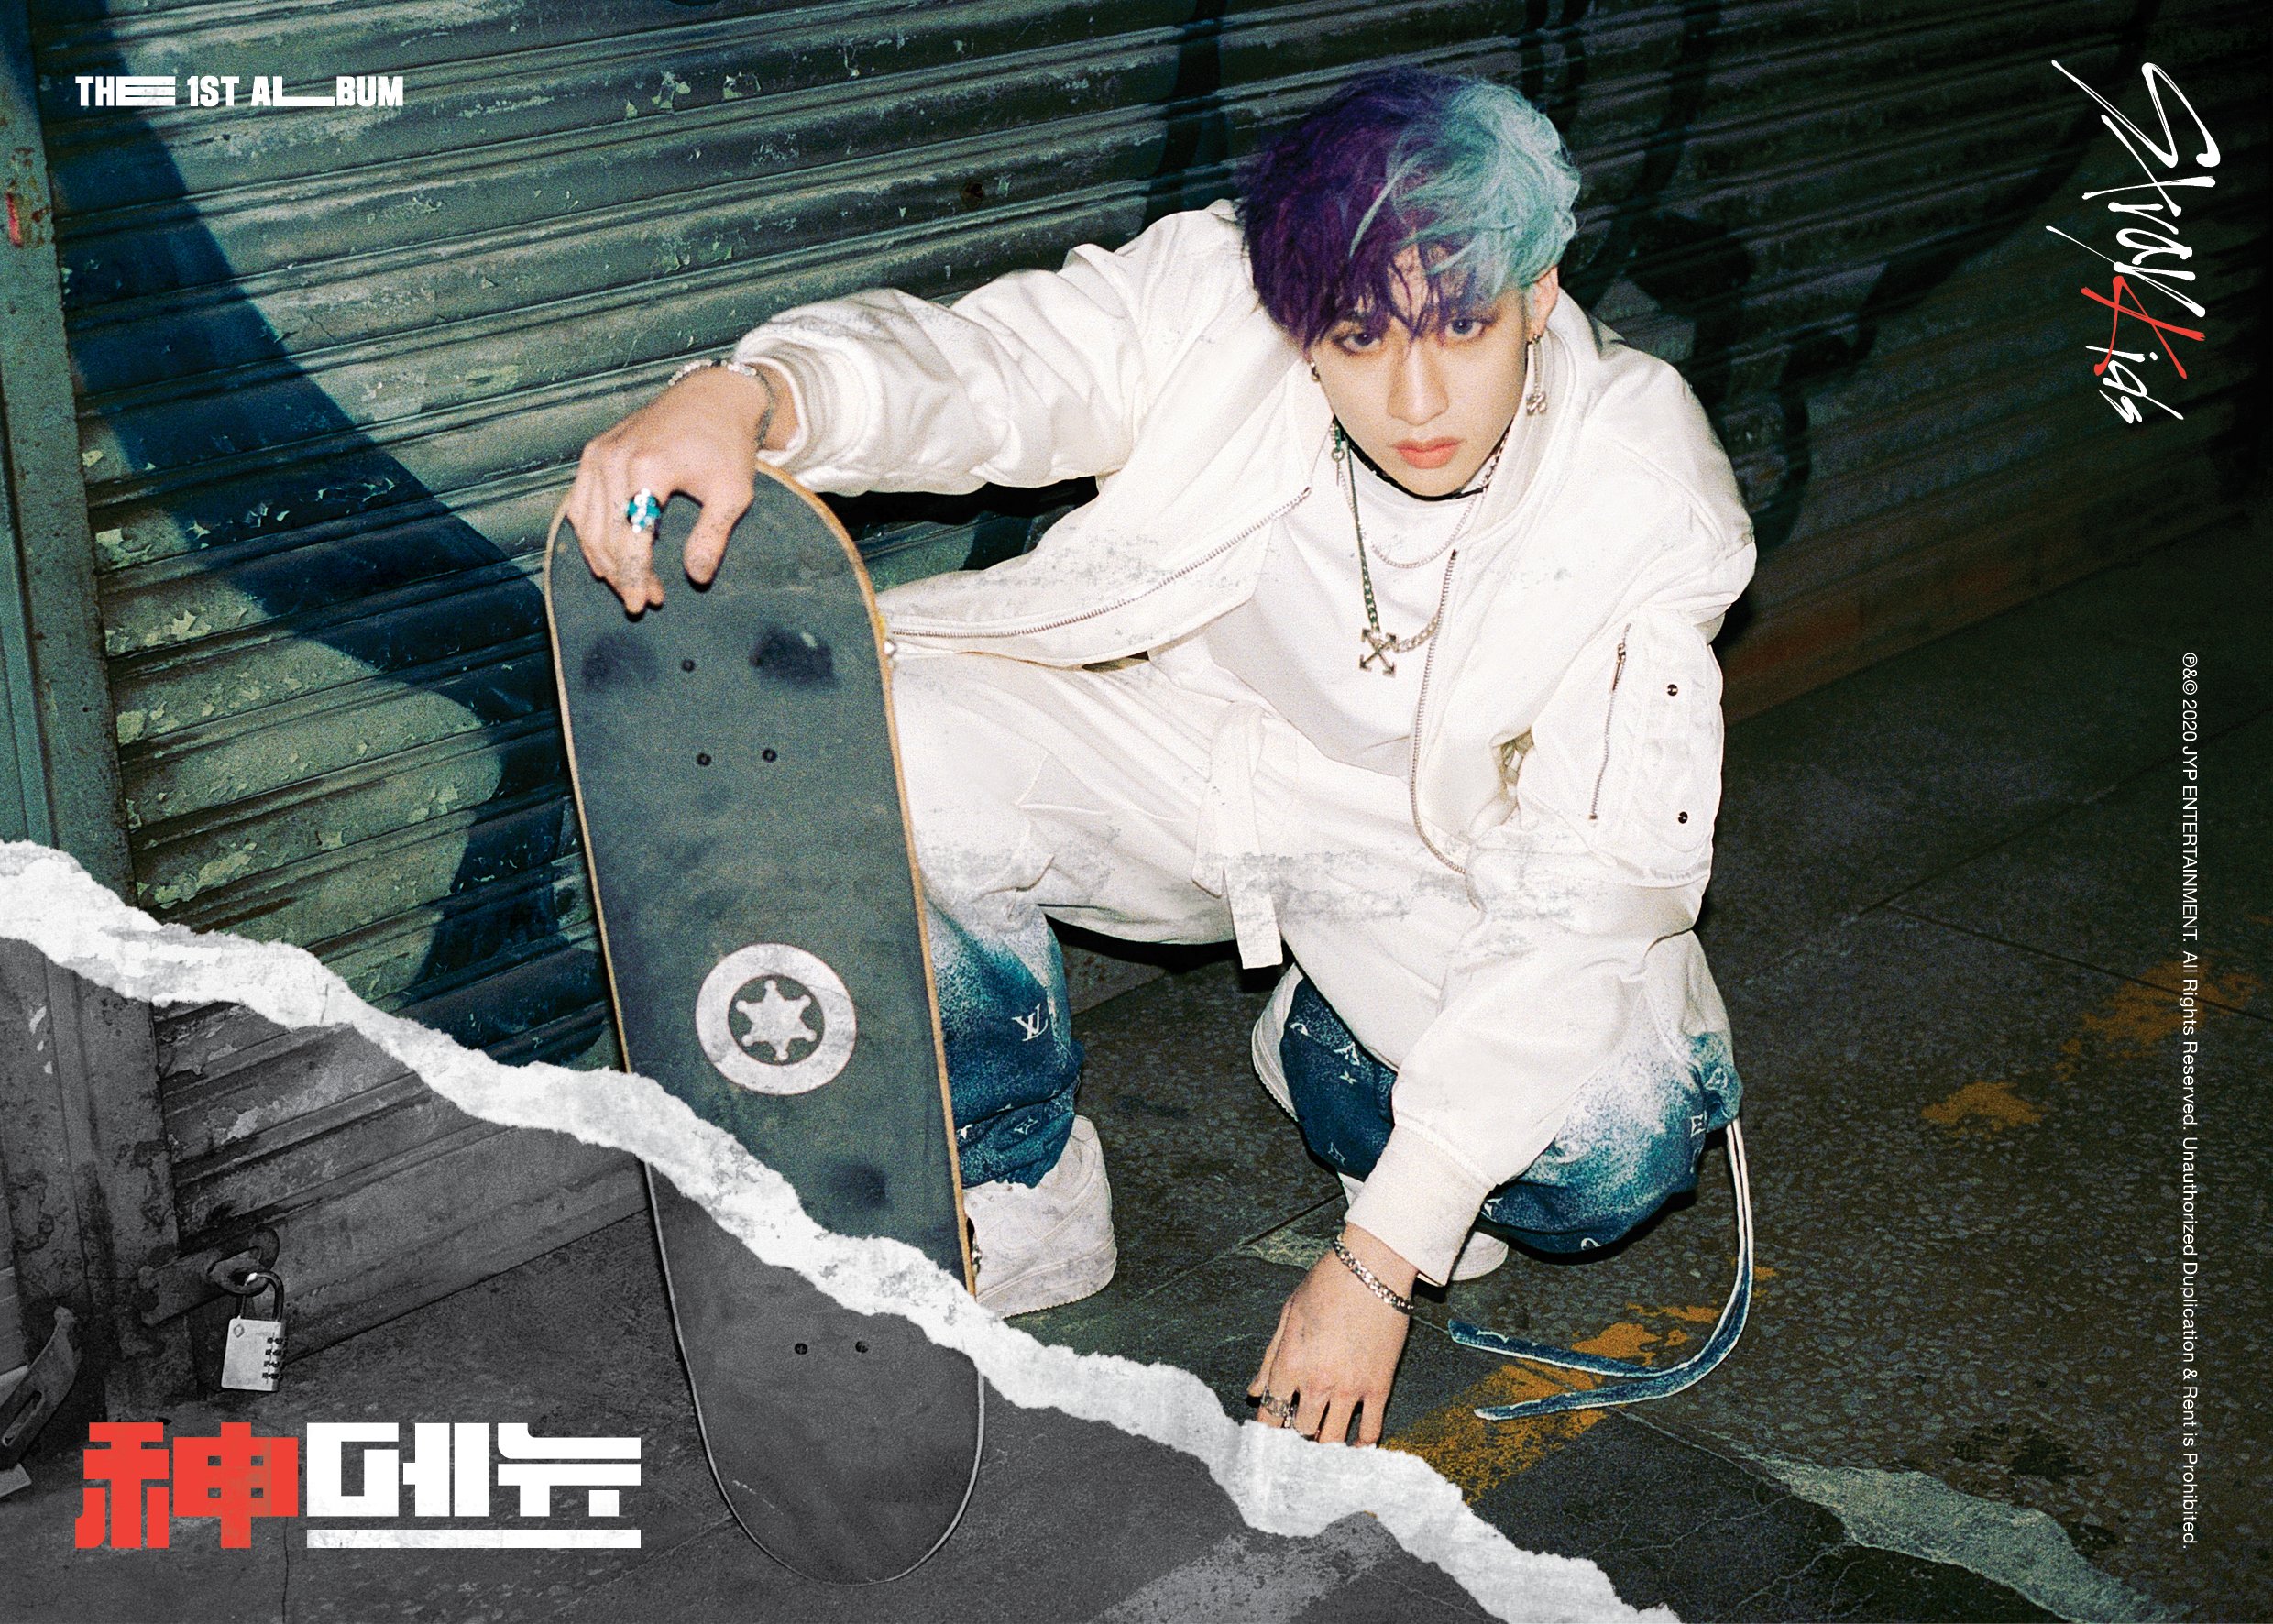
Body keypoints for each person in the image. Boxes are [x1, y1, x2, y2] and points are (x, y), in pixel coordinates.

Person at [564, 68, 1754, 1448]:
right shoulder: (1221, 297)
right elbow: (993, 368)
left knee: (1609, 1141)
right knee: (887, 742)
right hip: (1190, 763)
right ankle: (1018, 1183)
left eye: (1462, 326)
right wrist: (751, 396)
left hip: (1435, 866)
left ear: (1540, 297)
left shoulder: (1644, 495)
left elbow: (1578, 906)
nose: (1416, 395)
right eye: (1357, 338)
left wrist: (1380, 1258)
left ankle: (1341, 1056)